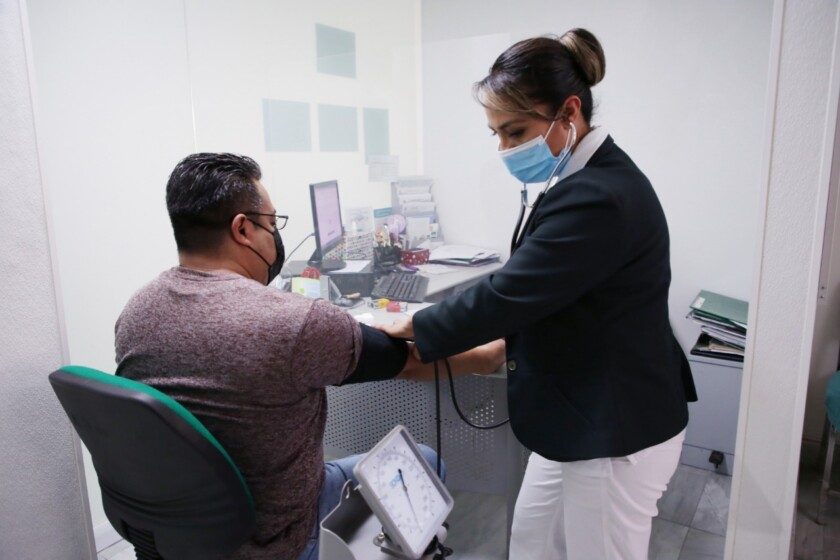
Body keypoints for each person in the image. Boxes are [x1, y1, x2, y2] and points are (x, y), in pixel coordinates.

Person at [379, 29, 698, 559]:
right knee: (531, 543)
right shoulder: (578, 180)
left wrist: (413, 325)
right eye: (497, 135)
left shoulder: (600, 196)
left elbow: (509, 293)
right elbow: (548, 293)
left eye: (516, 131)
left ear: (569, 113)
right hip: (577, 415)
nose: (505, 149)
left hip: (613, 428)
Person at [114, 153, 505, 560]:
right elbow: (408, 361)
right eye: (272, 223)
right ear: (243, 229)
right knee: (424, 461)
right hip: (283, 540)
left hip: (181, 534)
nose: (275, 237)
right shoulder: (294, 322)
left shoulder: (136, 312)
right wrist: (489, 356)